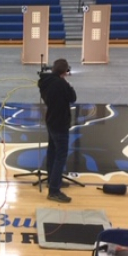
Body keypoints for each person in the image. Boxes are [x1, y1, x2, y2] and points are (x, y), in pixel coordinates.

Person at [38, 58, 77, 203]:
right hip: (60, 123)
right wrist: (68, 84)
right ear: (64, 72)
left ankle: (53, 180)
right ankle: (54, 190)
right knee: (60, 156)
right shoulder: (61, 84)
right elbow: (73, 98)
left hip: (51, 120)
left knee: (52, 152)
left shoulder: (46, 81)